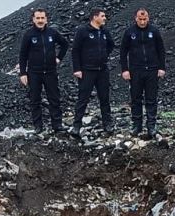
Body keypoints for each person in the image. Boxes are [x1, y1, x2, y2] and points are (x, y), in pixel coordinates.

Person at [18, 8, 69, 134]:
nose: (40, 20)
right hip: (34, 73)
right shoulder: (29, 35)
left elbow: (65, 44)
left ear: (46, 19)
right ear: (33, 19)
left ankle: (57, 125)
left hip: (50, 71)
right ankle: (38, 126)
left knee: (54, 98)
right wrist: (23, 73)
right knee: (35, 100)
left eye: (42, 18)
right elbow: (22, 55)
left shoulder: (52, 33)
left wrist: (59, 58)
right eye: (38, 18)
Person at [120, 8, 167, 138]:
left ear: (148, 18)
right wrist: (125, 69)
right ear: (135, 18)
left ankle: (151, 126)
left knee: (151, 99)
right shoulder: (129, 32)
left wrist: (161, 67)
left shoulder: (154, 31)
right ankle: (137, 125)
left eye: (144, 19)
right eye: (140, 19)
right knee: (136, 99)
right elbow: (123, 52)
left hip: (152, 69)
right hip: (135, 70)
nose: (142, 21)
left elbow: (161, 50)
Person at [70, 8, 115, 137]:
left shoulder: (104, 32)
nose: (105, 18)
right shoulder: (83, 31)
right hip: (87, 71)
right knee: (83, 99)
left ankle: (107, 124)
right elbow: (75, 50)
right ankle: (76, 125)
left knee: (104, 98)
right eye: (102, 16)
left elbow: (111, 45)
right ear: (95, 17)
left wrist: (104, 55)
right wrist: (77, 69)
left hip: (102, 70)